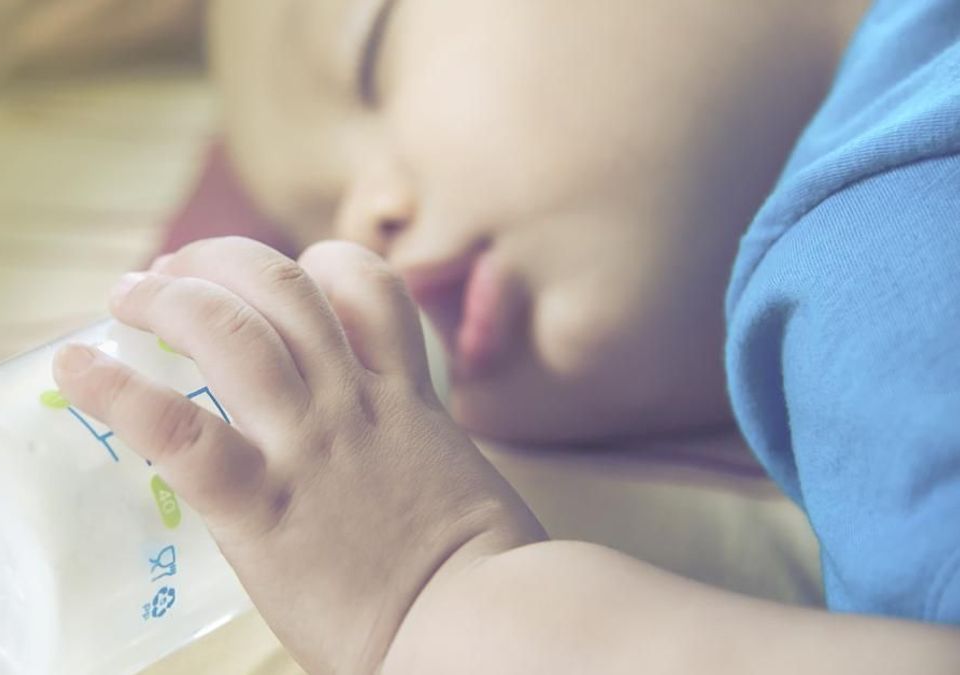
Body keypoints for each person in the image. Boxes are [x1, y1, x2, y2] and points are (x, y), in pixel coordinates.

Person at [53, 0, 960, 671]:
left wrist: (437, 597)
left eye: (369, 52)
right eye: (314, 224)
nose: (358, 229)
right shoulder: (868, 277)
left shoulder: (877, 236)